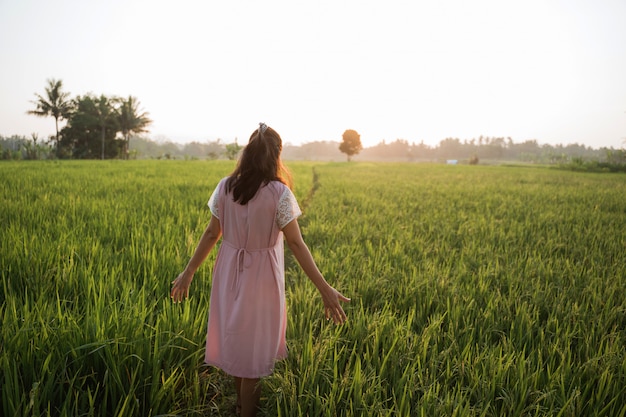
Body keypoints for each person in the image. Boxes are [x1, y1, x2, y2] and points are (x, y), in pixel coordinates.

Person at [170, 123, 350, 417]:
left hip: (229, 273)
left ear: (247, 153)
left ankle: (240, 406)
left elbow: (210, 234)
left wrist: (188, 272)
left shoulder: (225, 187)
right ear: (276, 155)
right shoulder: (279, 193)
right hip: (262, 278)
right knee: (252, 356)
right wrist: (325, 289)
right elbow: (295, 243)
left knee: (240, 343)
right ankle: (245, 411)